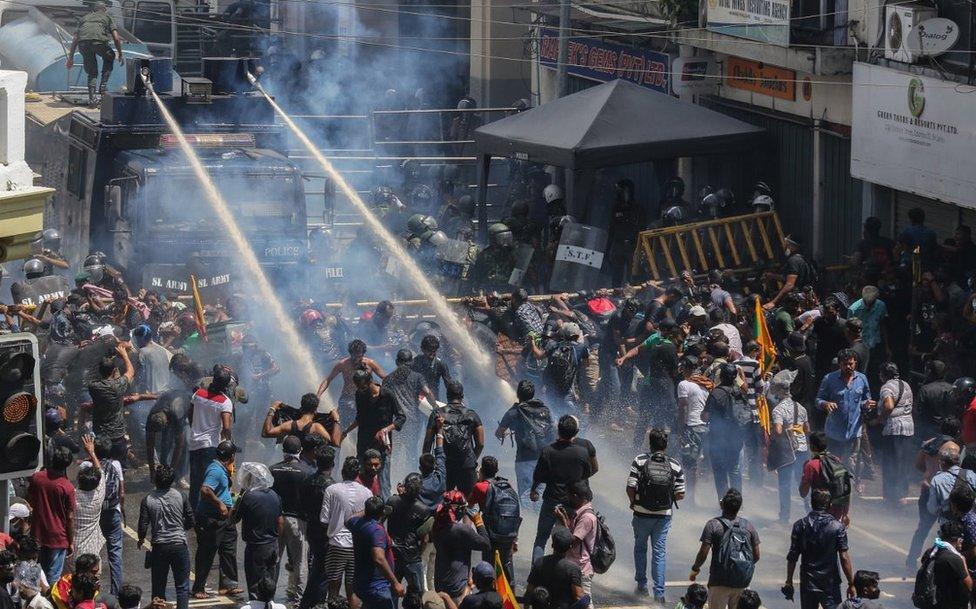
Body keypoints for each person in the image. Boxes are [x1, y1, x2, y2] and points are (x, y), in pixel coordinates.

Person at [626, 428, 685, 603]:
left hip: (641, 513)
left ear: (649, 443)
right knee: (659, 552)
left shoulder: (639, 461)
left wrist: (633, 503)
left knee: (640, 548)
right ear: (665, 445)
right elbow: (681, 493)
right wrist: (667, 497)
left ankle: (642, 586)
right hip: (663, 516)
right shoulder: (675, 465)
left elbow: (630, 486)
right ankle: (659, 594)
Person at [530, 415, 597, 563]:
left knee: (541, 539)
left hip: (551, 501)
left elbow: (538, 476)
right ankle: (563, 574)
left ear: (558, 431)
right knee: (567, 542)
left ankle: (536, 573)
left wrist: (533, 490)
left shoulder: (548, 451)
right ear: (576, 432)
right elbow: (587, 473)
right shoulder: (582, 452)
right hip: (571, 504)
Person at [784, 489, 856, 609]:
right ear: (829, 505)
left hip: (808, 581)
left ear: (812, 503)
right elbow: (844, 557)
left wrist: (789, 581)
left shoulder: (800, 525)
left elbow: (793, 556)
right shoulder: (837, 527)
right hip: (830, 583)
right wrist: (851, 583)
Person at [689, 489, 761, 609]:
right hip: (742, 582)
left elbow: (703, 553)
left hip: (719, 581)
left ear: (722, 505)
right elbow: (757, 555)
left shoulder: (713, 525)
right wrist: (742, 568)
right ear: (740, 507)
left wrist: (695, 568)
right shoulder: (748, 526)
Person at [137, 464, 194, 609]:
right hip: (179, 545)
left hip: (159, 547)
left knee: (158, 587)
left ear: (155, 480)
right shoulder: (181, 496)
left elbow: (143, 525)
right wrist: (181, 528)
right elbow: (191, 520)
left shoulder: (148, 499)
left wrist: (141, 539)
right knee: (182, 587)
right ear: (172, 480)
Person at [320, 457, 374, 604]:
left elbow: (324, 520)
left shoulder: (332, 490)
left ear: (343, 472)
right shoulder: (367, 493)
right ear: (358, 474)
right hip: (357, 547)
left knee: (333, 588)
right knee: (353, 590)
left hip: (337, 545)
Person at [344, 370, 405, 499]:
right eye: (358, 387)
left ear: (370, 382)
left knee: (383, 484)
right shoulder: (360, 395)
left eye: (362, 386)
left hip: (382, 446)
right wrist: (346, 431)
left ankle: (384, 512)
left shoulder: (387, 395)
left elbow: (401, 417)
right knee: (359, 481)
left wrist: (386, 429)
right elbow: (359, 418)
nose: (360, 389)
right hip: (364, 445)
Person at [907, 417, 960, 568]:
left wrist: (930, 473)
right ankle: (942, 562)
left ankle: (911, 560)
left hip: (927, 487)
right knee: (948, 529)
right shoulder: (954, 447)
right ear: (956, 431)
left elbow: (918, 465)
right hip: (944, 492)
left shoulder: (929, 443)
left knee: (923, 528)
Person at [192, 440, 241, 599]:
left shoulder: (223, 469)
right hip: (211, 519)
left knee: (228, 549)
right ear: (231, 456)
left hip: (224, 519)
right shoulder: (215, 470)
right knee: (207, 552)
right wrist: (220, 503)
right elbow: (205, 490)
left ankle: (228, 585)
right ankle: (198, 587)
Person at [495, 380, 555, 506]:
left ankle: (529, 522)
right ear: (533, 394)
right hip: (544, 458)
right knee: (542, 493)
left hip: (524, 460)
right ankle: (539, 522)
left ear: (518, 394)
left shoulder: (514, 411)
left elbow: (499, 433)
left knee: (526, 495)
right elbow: (552, 431)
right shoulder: (544, 409)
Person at [232, 463, 283, 601]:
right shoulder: (274, 495)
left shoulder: (248, 497)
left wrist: (241, 495)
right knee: (269, 582)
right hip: (272, 544)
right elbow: (280, 522)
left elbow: (233, 518)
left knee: (254, 584)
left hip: (256, 547)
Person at [422, 381, 484, 496]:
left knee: (441, 502)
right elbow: (480, 444)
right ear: (462, 396)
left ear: (447, 396)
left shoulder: (437, 414)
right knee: (468, 503)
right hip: (467, 466)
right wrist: (472, 459)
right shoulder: (472, 415)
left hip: (444, 465)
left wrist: (426, 466)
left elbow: (428, 442)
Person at [269, 436, 310, 604]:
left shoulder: (272, 469)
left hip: (276, 520)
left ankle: (268, 595)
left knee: (273, 560)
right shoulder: (306, 472)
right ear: (300, 451)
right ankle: (300, 600)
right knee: (300, 562)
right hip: (297, 522)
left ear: (283, 450)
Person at [467, 456, 520, 583]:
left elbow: (469, 505)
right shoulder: (507, 485)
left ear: (482, 470)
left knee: (488, 565)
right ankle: (509, 595)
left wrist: (478, 478)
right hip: (508, 533)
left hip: (490, 533)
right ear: (497, 470)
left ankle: (488, 592)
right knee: (506, 563)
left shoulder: (480, 487)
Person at [188, 367, 235, 508]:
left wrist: (195, 428)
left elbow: (189, 414)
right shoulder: (225, 401)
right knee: (209, 481)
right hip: (210, 445)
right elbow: (226, 427)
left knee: (195, 481)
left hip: (194, 443)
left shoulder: (198, 393)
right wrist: (228, 442)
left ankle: (191, 514)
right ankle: (205, 512)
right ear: (226, 386)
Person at [817, 348, 873, 465]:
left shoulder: (862, 379)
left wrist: (867, 404)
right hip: (834, 432)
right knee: (832, 465)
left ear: (855, 363)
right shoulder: (829, 379)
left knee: (851, 466)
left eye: (851, 364)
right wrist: (825, 404)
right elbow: (818, 400)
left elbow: (864, 401)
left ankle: (852, 483)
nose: (848, 367)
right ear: (839, 364)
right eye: (845, 364)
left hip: (853, 432)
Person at [432, 491, 490, 603]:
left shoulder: (438, 526)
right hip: (457, 588)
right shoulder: (462, 530)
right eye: (463, 509)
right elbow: (486, 544)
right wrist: (478, 522)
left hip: (440, 584)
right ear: (457, 510)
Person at [348, 496, 405, 609]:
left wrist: (369, 510)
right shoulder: (377, 530)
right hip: (377, 587)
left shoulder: (357, 523)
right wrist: (395, 583)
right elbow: (379, 558)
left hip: (361, 583)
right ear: (381, 513)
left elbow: (349, 518)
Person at [28, 446, 75, 582]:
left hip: (38, 534)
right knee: (53, 576)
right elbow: (70, 517)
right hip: (58, 537)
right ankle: (50, 602)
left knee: (37, 573)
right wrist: (71, 542)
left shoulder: (37, 478)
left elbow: (30, 497)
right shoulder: (67, 487)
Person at [382, 349, 437, 465]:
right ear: (411, 363)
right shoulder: (417, 377)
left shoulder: (388, 379)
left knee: (394, 453)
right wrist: (436, 407)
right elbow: (427, 392)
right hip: (412, 421)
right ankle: (412, 477)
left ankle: (394, 477)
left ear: (397, 362)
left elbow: (383, 401)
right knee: (411, 452)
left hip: (394, 422)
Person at [702, 363, 749, 499]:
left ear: (721, 376)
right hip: (736, 439)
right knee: (734, 471)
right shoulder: (740, 393)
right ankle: (736, 503)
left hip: (718, 440)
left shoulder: (716, 393)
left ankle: (724, 504)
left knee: (720, 472)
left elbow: (705, 417)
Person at [64, 1, 123, 103]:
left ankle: (92, 99)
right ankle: (103, 87)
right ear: (105, 10)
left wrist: (70, 58)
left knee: (92, 72)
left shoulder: (84, 18)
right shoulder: (108, 17)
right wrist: (120, 54)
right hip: (99, 43)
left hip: (83, 44)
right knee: (110, 57)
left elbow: (75, 38)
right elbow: (116, 38)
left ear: (92, 10)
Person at [770, 369, 809, 523]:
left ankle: (784, 516)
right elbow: (807, 429)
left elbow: (779, 431)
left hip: (787, 452)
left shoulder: (778, 410)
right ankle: (811, 511)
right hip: (802, 449)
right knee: (804, 482)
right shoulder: (801, 407)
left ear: (780, 391)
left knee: (785, 484)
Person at [299, 446, 336, 609]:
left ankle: (308, 602)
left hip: (312, 528)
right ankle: (315, 603)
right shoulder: (331, 487)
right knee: (323, 570)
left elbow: (302, 507)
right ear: (332, 464)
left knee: (318, 567)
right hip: (325, 532)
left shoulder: (307, 481)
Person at [317, 339, 386, 426]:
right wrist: (318, 396)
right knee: (340, 424)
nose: (357, 356)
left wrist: (380, 394)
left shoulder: (370, 363)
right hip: (348, 398)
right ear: (350, 353)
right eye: (354, 353)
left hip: (366, 398)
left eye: (359, 353)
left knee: (367, 424)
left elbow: (385, 378)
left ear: (363, 353)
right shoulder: (343, 364)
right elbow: (328, 380)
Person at [86, 344, 135, 463]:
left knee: (101, 464)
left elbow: (92, 374)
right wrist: (124, 356)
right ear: (114, 371)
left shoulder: (93, 386)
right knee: (118, 465)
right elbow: (130, 372)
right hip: (117, 433)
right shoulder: (119, 385)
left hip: (100, 434)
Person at [386, 473, 433, 595]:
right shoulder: (424, 510)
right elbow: (425, 539)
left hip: (393, 554)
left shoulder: (392, 501)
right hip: (412, 556)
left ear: (404, 486)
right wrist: (420, 554)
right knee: (417, 594)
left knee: (391, 592)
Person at [554, 481, 598, 603]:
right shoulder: (580, 513)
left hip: (581, 568)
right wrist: (566, 519)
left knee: (584, 602)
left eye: (569, 496)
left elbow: (573, 542)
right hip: (573, 564)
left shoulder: (586, 518)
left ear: (575, 496)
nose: (568, 499)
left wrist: (563, 521)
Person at [876, 362, 913, 505]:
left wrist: (881, 417)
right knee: (902, 462)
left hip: (894, 428)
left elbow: (889, 405)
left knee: (891, 462)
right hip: (908, 428)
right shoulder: (906, 384)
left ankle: (890, 496)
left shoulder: (886, 387)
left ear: (884, 374)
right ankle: (902, 495)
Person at [92, 436, 123, 596]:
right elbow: (121, 491)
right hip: (112, 511)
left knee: (93, 552)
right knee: (115, 553)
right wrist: (122, 508)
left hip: (96, 514)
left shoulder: (87, 465)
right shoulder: (116, 465)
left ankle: (90, 590)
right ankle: (116, 592)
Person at [800, 432, 853, 524]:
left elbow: (803, 493)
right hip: (838, 511)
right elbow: (844, 486)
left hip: (820, 513)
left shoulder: (810, 464)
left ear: (812, 447)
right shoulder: (836, 460)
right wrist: (845, 514)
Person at [525, 528, 586, 609]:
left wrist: (526, 606)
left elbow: (529, 590)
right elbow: (578, 596)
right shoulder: (573, 569)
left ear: (552, 545)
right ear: (570, 547)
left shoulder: (540, 562)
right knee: (586, 599)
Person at [923, 520, 972, 609]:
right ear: (958, 539)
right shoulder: (955, 558)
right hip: (951, 604)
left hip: (932, 601)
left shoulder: (930, 552)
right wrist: (963, 562)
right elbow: (969, 586)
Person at [263, 393, 340, 448]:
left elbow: (266, 433)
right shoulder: (316, 428)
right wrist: (336, 420)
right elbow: (335, 443)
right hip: (309, 465)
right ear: (315, 410)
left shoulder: (289, 425)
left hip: (292, 459)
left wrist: (272, 409)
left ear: (301, 407)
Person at [74, 435, 106, 560]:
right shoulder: (98, 496)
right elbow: (100, 471)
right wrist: (92, 452)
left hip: (74, 550)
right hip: (93, 551)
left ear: (78, 480)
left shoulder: (72, 496)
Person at [765, 235, 816, 310]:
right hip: (808, 297)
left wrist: (773, 302)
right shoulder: (806, 259)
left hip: (796, 300)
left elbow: (790, 284)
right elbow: (794, 277)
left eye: (788, 244)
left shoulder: (794, 260)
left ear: (793, 246)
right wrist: (772, 276)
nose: (786, 247)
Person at [927, 446, 976, 522]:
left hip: (949, 524)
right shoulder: (970, 474)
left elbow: (932, 508)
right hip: (971, 520)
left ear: (942, 463)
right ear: (958, 462)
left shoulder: (937, 480)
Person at [915, 360, 955, 443]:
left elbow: (918, 411)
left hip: (929, 430)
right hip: (950, 430)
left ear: (929, 372)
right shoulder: (952, 388)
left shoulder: (925, 389)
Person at [132, 324, 172, 394]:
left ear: (140, 339)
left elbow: (139, 377)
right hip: (165, 393)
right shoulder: (162, 349)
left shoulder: (143, 352)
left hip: (150, 397)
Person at [412, 335, 452, 401]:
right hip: (417, 397)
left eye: (434, 351)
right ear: (423, 349)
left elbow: (448, 384)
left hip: (433, 398)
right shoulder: (416, 361)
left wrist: (456, 398)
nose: (432, 354)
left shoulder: (440, 364)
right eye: (429, 351)